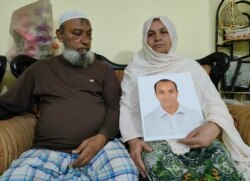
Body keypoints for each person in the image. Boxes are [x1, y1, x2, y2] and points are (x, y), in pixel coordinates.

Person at [0, 10, 138, 180]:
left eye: (89, 34)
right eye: (77, 34)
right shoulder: (39, 70)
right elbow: (7, 105)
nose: (85, 41)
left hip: (102, 149)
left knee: (126, 174)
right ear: (60, 35)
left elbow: (114, 107)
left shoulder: (103, 70)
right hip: (48, 151)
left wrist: (101, 138)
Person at [119, 15, 250, 180]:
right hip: (155, 143)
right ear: (144, 39)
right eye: (150, 34)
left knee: (219, 158)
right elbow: (126, 108)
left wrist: (214, 126)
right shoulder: (135, 69)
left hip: (197, 136)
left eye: (163, 32)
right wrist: (132, 141)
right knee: (160, 166)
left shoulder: (189, 66)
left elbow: (214, 103)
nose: (157, 38)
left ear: (172, 35)